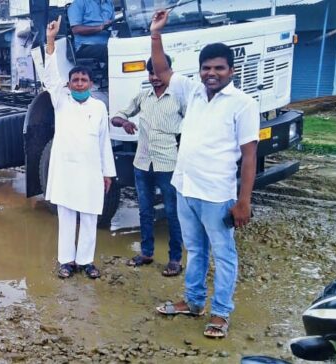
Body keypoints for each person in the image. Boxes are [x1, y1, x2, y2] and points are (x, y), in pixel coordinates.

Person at [149, 9, 259, 339]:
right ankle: (194, 302)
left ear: (231, 70)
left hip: (217, 194)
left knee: (224, 254)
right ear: (200, 71)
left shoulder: (243, 103)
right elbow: (161, 69)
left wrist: (243, 201)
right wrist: (156, 34)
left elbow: (249, 156)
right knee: (195, 251)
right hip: (186, 187)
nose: (211, 73)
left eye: (218, 68)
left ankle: (221, 313)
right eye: (206, 68)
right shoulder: (193, 91)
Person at [42, 16, 116, 279]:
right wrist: (50, 39)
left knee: (89, 216)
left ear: (91, 84)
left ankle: (86, 261)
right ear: (69, 84)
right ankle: (66, 261)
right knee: (66, 217)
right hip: (65, 170)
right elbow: (50, 77)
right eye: (75, 80)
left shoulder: (99, 107)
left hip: (90, 171)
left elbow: (104, 141)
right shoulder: (60, 100)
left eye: (84, 80)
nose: (80, 84)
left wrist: (108, 172)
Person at [111, 54, 184, 277]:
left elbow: (195, 124)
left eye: (160, 72)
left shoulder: (179, 99)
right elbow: (116, 116)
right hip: (142, 164)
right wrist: (124, 122)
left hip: (168, 164)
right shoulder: (143, 97)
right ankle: (146, 252)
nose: (155, 77)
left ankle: (175, 259)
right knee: (144, 211)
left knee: (172, 213)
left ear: (169, 71)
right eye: (151, 73)